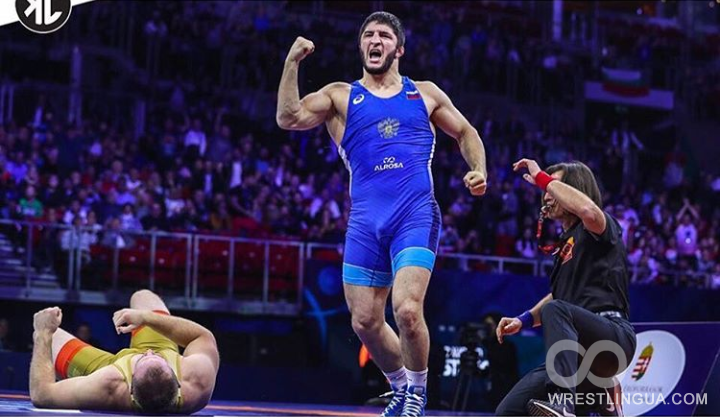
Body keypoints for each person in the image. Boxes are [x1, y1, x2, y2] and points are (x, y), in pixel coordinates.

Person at [276, 11, 487, 417]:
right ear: (361, 46)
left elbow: (466, 132)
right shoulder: (339, 96)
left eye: (385, 35)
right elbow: (288, 118)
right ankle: (401, 387)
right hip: (365, 223)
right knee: (364, 321)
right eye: (369, 35)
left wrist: (478, 169)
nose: (375, 40)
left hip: (414, 215)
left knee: (406, 310)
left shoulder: (424, 93)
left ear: (399, 49)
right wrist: (292, 63)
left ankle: (418, 395)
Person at [495, 160, 637, 417]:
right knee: (509, 410)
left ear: (576, 189)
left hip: (612, 339)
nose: (547, 195)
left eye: (554, 187)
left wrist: (541, 177)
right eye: (545, 190)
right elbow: (557, 297)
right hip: (576, 355)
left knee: (557, 310)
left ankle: (563, 401)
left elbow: (588, 210)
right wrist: (523, 320)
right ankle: (598, 396)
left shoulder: (599, 226)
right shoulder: (565, 246)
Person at [29, 289, 219, 413]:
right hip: (162, 347)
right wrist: (146, 318)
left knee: (50, 336)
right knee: (142, 296)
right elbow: (203, 337)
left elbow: (42, 395)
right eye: (158, 358)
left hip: (111, 369)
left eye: (142, 359)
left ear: (130, 388)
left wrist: (43, 333)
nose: (148, 352)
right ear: (178, 382)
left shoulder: (108, 384)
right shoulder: (196, 380)